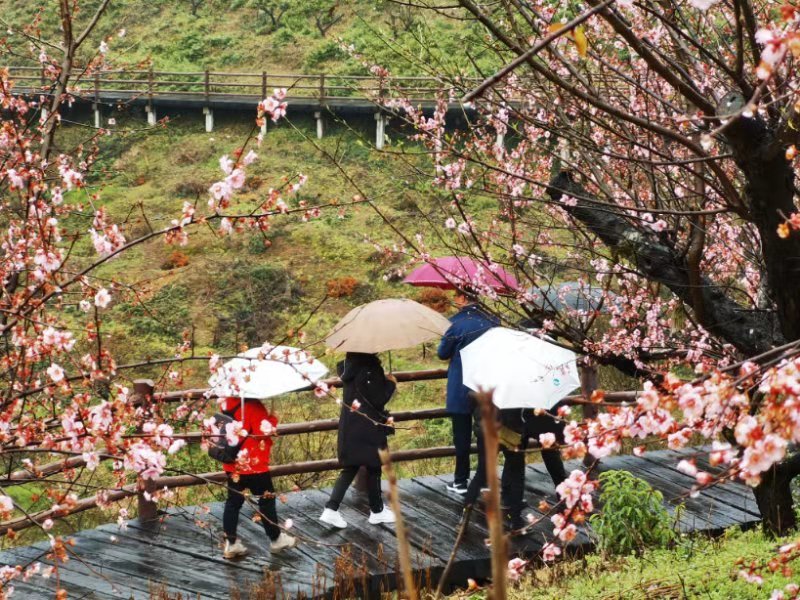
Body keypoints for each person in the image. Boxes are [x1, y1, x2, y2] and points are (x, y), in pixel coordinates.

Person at [319, 352, 397, 528]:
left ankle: (332, 509)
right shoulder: (370, 368)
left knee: (351, 466)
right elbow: (378, 400)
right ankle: (376, 511)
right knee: (374, 465)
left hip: (350, 423)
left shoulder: (349, 365)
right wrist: (391, 383)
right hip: (367, 424)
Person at [464, 400, 567, 531]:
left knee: (482, 473)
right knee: (517, 473)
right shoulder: (517, 389)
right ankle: (516, 522)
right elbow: (516, 415)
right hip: (511, 429)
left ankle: (464, 518)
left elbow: (473, 403)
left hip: (486, 427)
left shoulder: (484, 383)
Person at [437, 288, 499, 495]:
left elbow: (442, 353)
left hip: (461, 386)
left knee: (461, 436)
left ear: (463, 298)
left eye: (456, 296)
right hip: (487, 385)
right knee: (485, 434)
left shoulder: (455, 323)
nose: (455, 300)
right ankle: (485, 479)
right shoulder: (493, 320)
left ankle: (460, 481)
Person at [220, 396, 297, 559]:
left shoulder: (226, 402)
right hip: (253, 464)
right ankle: (276, 539)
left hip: (232, 463)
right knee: (266, 499)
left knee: (233, 502)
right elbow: (264, 433)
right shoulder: (254, 406)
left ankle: (231, 544)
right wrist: (272, 418)